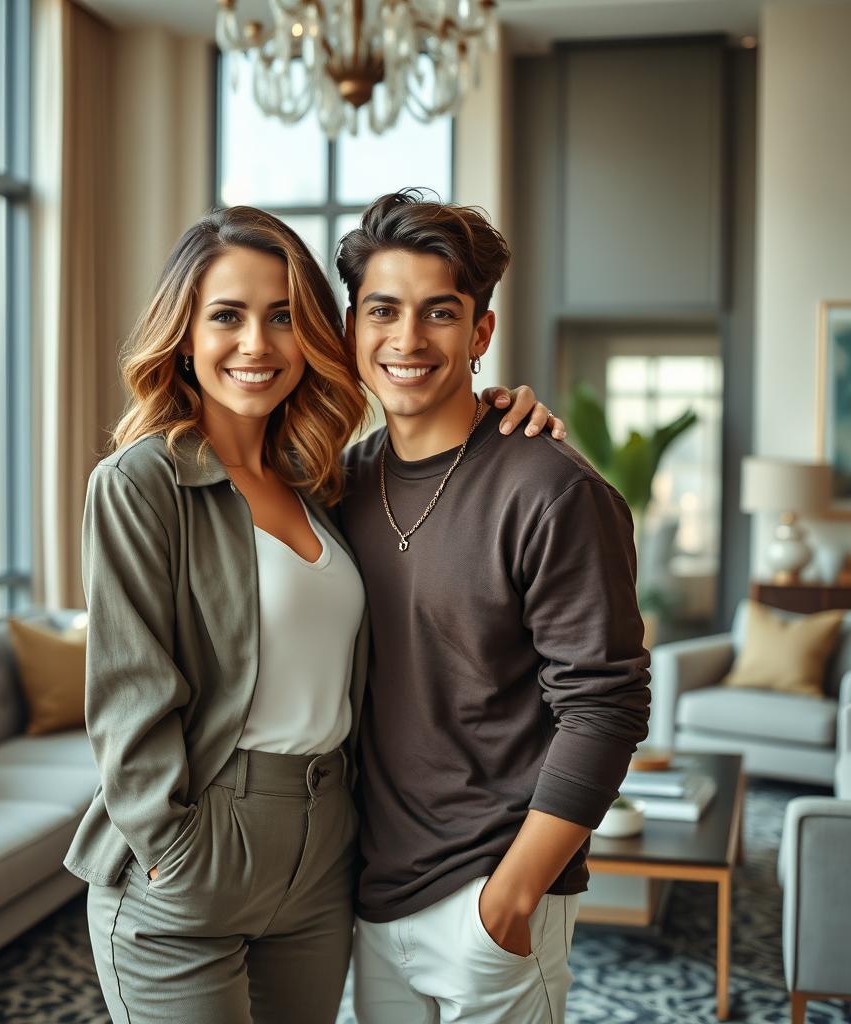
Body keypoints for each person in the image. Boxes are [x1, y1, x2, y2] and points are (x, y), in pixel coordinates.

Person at [62, 204, 559, 1024]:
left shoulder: (327, 480)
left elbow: (446, 455)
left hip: (326, 853)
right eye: (227, 316)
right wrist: (172, 847)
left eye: (284, 317)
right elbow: (128, 689)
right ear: (184, 333)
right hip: (196, 848)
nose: (256, 345)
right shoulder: (140, 483)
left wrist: (504, 415)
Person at [335, 190, 652, 1024]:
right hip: (373, 892)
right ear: (352, 328)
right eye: (383, 311)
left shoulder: (553, 491)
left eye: (440, 312)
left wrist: (508, 903)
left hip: (492, 895)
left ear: (480, 333)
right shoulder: (339, 486)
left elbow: (606, 707)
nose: (407, 339)